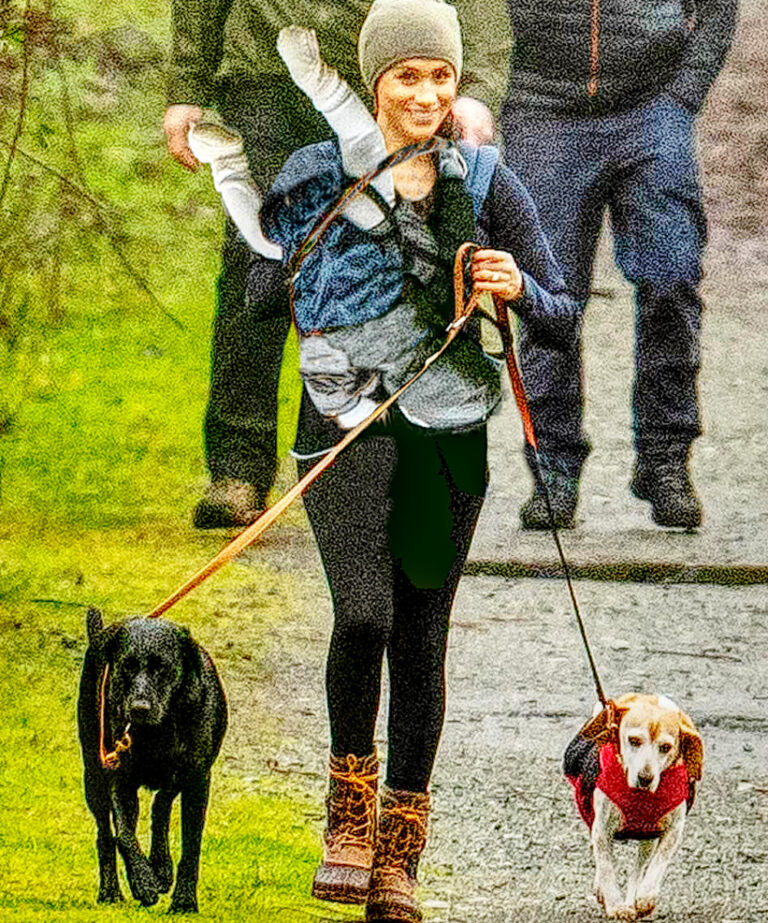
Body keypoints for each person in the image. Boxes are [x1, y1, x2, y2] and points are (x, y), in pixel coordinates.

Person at [212, 2, 577, 919]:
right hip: (340, 428)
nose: (425, 93)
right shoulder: (314, 170)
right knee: (366, 614)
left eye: (441, 76)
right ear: (372, 83)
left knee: (420, 636)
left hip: (446, 436)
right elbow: (260, 297)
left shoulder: (487, 178)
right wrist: (305, 249)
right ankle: (347, 815)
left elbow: (562, 315)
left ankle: (399, 853)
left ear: (457, 84)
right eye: (405, 76)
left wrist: (514, 284)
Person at [162, 0, 513, 528]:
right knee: (257, 266)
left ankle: (368, 456)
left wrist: (478, 88)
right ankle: (238, 468)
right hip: (266, 70)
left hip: (387, 70)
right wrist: (186, 88)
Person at [501, 0, 738, 530]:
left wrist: (684, 93)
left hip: (652, 106)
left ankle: (665, 460)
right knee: (547, 293)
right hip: (541, 107)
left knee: (672, 275)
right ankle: (552, 468)